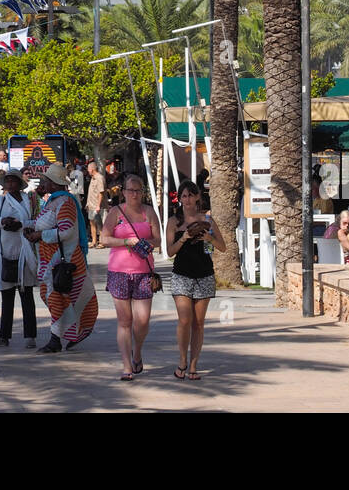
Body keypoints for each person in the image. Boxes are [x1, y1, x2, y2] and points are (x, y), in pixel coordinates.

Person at [23, 163, 97, 353]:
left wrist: (40, 235)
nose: (43, 183)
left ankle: (56, 340)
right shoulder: (54, 201)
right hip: (51, 261)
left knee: (58, 298)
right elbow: (44, 223)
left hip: (62, 261)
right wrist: (26, 226)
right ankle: (74, 332)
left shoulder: (65, 202)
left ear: (54, 183)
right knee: (58, 298)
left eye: (46, 180)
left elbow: (66, 231)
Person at [102, 173, 160, 380]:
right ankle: (127, 365)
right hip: (119, 271)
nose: (134, 194)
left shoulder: (149, 212)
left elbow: (158, 240)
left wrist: (146, 243)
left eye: (138, 190)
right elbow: (104, 239)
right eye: (130, 190)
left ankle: (138, 352)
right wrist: (126, 242)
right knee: (124, 320)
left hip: (143, 272)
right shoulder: (116, 212)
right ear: (124, 192)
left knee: (142, 321)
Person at [166, 180, 224, 381]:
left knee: (198, 323)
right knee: (184, 320)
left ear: (198, 196)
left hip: (204, 274)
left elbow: (222, 247)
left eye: (191, 195)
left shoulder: (207, 219)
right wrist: (184, 238)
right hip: (181, 275)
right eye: (184, 195)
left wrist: (209, 239)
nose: (188, 199)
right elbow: (170, 252)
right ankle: (182, 360)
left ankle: (193, 365)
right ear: (179, 199)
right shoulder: (174, 221)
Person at [0, 169, 39, 348]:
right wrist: (4, 222)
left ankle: (30, 336)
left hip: (25, 251)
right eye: (7, 181)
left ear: (19, 183)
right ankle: (4, 336)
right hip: (5, 252)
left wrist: (20, 225)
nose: (9, 184)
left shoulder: (29, 201)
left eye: (13, 180)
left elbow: (36, 221)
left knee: (27, 296)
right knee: (7, 297)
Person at [85, 161, 106, 249]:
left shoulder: (99, 178)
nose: (88, 171)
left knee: (100, 224)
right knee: (92, 223)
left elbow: (101, 192)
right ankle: (94, 241)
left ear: (92, 169)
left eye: (88, 169)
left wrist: (98, 205)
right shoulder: (93, 178)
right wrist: (88, 204)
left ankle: (102, 241)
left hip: (97, 205)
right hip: (91, 205)